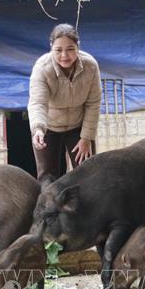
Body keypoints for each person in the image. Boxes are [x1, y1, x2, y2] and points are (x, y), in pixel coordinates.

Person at [27, 23, 102, 181]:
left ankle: (85, 206)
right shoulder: (42, 68)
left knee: (88, 175)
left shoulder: (90, 66)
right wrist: (38, 129)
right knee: (48, 177)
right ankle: (50, 206)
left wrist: (87, 137)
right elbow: (38, 103)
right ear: (51, 47)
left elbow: (93, 103)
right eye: (58, 50)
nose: (64, 55)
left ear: (78, 47)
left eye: (70, 49)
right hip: (49, 127)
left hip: (78, 127)